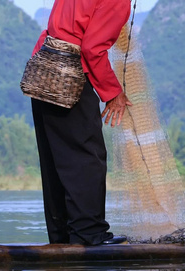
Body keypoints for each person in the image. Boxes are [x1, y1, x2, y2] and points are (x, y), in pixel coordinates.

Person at [30, 0, 133, 246]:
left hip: (43, 68)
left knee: (55, 160)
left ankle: (61, 238)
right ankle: (88, 235)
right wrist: (112, 92)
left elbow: (58, 29)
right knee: (88, 157)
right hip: (70, 76)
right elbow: (92, 49)